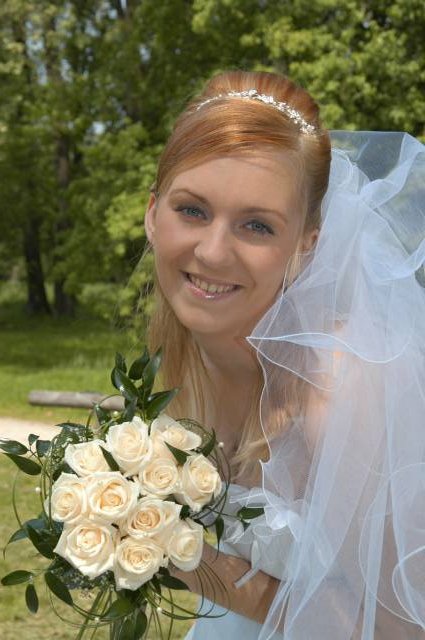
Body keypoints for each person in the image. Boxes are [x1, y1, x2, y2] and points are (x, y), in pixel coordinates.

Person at [143, 70, 425, 639]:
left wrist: (184, 559)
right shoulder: (183, 363)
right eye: (192, 210)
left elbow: (401, 628)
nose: (213, 251)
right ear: (152, 214)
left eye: (256, 225)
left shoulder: (340, 392)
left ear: (306, 245)